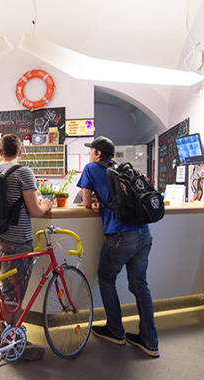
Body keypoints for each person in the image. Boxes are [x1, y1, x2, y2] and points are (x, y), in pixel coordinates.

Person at [77, 136, 159, 357]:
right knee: (140, 284)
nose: (89, 154)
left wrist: (95, 203)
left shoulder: (91, 168)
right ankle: (150, 341)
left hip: (121, 236)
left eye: (91, 150)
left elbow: (85, 203)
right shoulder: (122, 169)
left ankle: (115, 330)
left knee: (106, 278)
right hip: (144, 233)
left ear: (98, 154)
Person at [0, 134, 53, 361]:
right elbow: (35, 210)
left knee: (7, 291)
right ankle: (9, 345)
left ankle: (4, 338)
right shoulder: (23, 172)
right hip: (18, 242)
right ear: (20, 151)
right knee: (12, 296)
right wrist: (46, 204)